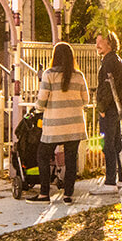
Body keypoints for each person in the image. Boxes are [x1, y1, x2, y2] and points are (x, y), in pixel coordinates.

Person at [32, 41, 90, 203]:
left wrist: (37, 108)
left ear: (54, 57)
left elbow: (42, 101)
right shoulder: (79, 76)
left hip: (54, 126)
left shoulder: (49, 74)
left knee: (42, 155)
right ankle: (68, 195)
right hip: (75, 125)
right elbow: (86, 100)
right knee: (71, 159)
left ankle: (44, 193)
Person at [95, 31, 122, 191]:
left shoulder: (109, 62)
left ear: (110, 43)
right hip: (116, 107)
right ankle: (120, 178)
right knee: (115, 144)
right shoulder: (115, 60)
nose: (97, 45)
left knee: (107, 145)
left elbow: (108, 87)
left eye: (100, 42)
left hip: (109, 109)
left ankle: (110, 181)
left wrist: (101, 108)